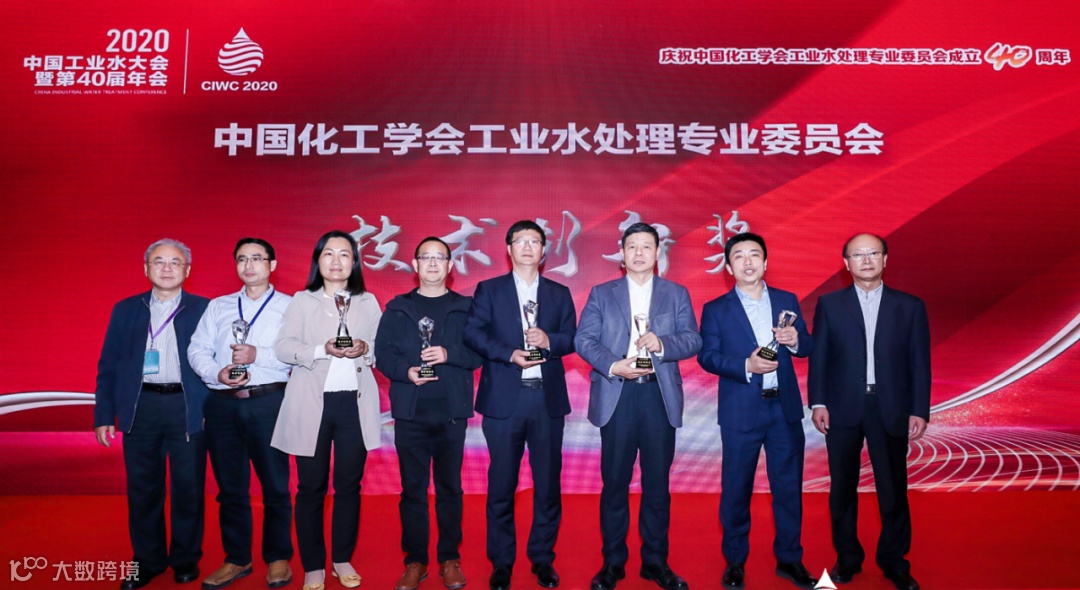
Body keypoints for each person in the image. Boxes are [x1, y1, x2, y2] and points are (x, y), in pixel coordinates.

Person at [574, 223, 702, 590]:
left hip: (658, 397)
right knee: (615, 483)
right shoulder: (602, 293)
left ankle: (655, 562)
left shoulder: (676, 293)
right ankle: (613, 563)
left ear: (658, 252)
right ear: (622, 253)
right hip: (618, 394)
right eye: (632, 246)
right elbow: (584, 340)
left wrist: (662, 344)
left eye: (647, 246)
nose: (640, 253)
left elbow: (693, 339)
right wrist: (614, 365)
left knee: (657, 484)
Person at [808, 233, 930, 590]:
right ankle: (848, 558)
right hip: (842, 407)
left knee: (893, 489)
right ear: (846, 263)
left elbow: (919, 362)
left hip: (890, 407)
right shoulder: (830, 304)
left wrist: (919, 409)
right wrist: (818, 402)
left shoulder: (910, 306)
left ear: (885, 259)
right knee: (842, 489)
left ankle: (894, 561)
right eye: (857, 255)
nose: (866, 260)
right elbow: (820, 357)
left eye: (873, 253)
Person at [697, 233, 816, 589]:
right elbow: (707, 357)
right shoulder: (716, 309)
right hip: (740, 412)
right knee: (736, 489)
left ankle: (790, 559)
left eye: (754, 255)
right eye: (739, 256)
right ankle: (735, 561)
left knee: (788, 488)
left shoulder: (786, 300)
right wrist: (745, 365)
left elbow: (808, 345)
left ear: (766, 262)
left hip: (783, 410)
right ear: (728, 267)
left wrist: (796, 341)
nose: (747, 262)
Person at [464, 220, 577, 590]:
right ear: (509, 248)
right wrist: (509, 353)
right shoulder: (490, 290)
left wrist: (549, 340)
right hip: (504, 401)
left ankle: (542, 558)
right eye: (521, 240)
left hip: (546, 400)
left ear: (544, 250)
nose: (528, 246)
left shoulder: (559, 293)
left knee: (548, 485)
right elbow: (473, 333)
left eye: (535, 241)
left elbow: (573, 338)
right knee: (501, 484)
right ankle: (501, 562)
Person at [94, 238, 210, 590]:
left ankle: (185, 559)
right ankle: (147, 561)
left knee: (188, 488)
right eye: (159, 261)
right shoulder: (126, 309)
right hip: (140, 406)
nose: (167, 268)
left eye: (175, 262)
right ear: (146, 269)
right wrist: (104, 414)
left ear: (187, 270)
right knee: (143, 488)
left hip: (186, 407)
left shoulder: (205, 309)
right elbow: (108, 364)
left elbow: (216, 361)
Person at [271, 230, 382, 590]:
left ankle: (342, 558)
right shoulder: (302, 301)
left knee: (349, 485)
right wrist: (322, 349)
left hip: (354, 404)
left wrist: (365, 347)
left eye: (344, 254)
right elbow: (283, 347)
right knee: (310, 487)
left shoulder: (368, 301)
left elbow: (381, 347)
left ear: (355, 262)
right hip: (312, 405)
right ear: (317, 261)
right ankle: (314, 565)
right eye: (328, 254)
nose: (336, 261)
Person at [375, 237, 484, 590]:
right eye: (426, 257)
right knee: (412, 490)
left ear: (450, 266)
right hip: (411, 414)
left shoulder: (466, 308)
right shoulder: (397, 308)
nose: (433, 263)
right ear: (415, 265)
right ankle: (415, 561)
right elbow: (382, 354)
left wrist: (449, 354)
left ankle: (449, 558)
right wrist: (405, 371)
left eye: (440, 258)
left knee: (450, 488)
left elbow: (478, 354)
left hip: (451, 414)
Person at [188, 238, 294, 589]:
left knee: (275, 486)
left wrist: (257, 355)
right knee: (230, 488)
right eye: (242, 259)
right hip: (222, 405)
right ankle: (237, 558)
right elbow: (197, 349)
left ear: (272, 265)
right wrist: (215, 373)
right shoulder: (218, 306)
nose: (249, 265)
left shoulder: (290, 306)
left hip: (269, 402)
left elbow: (298, 353)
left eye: (257, 258)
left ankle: (278, 558)